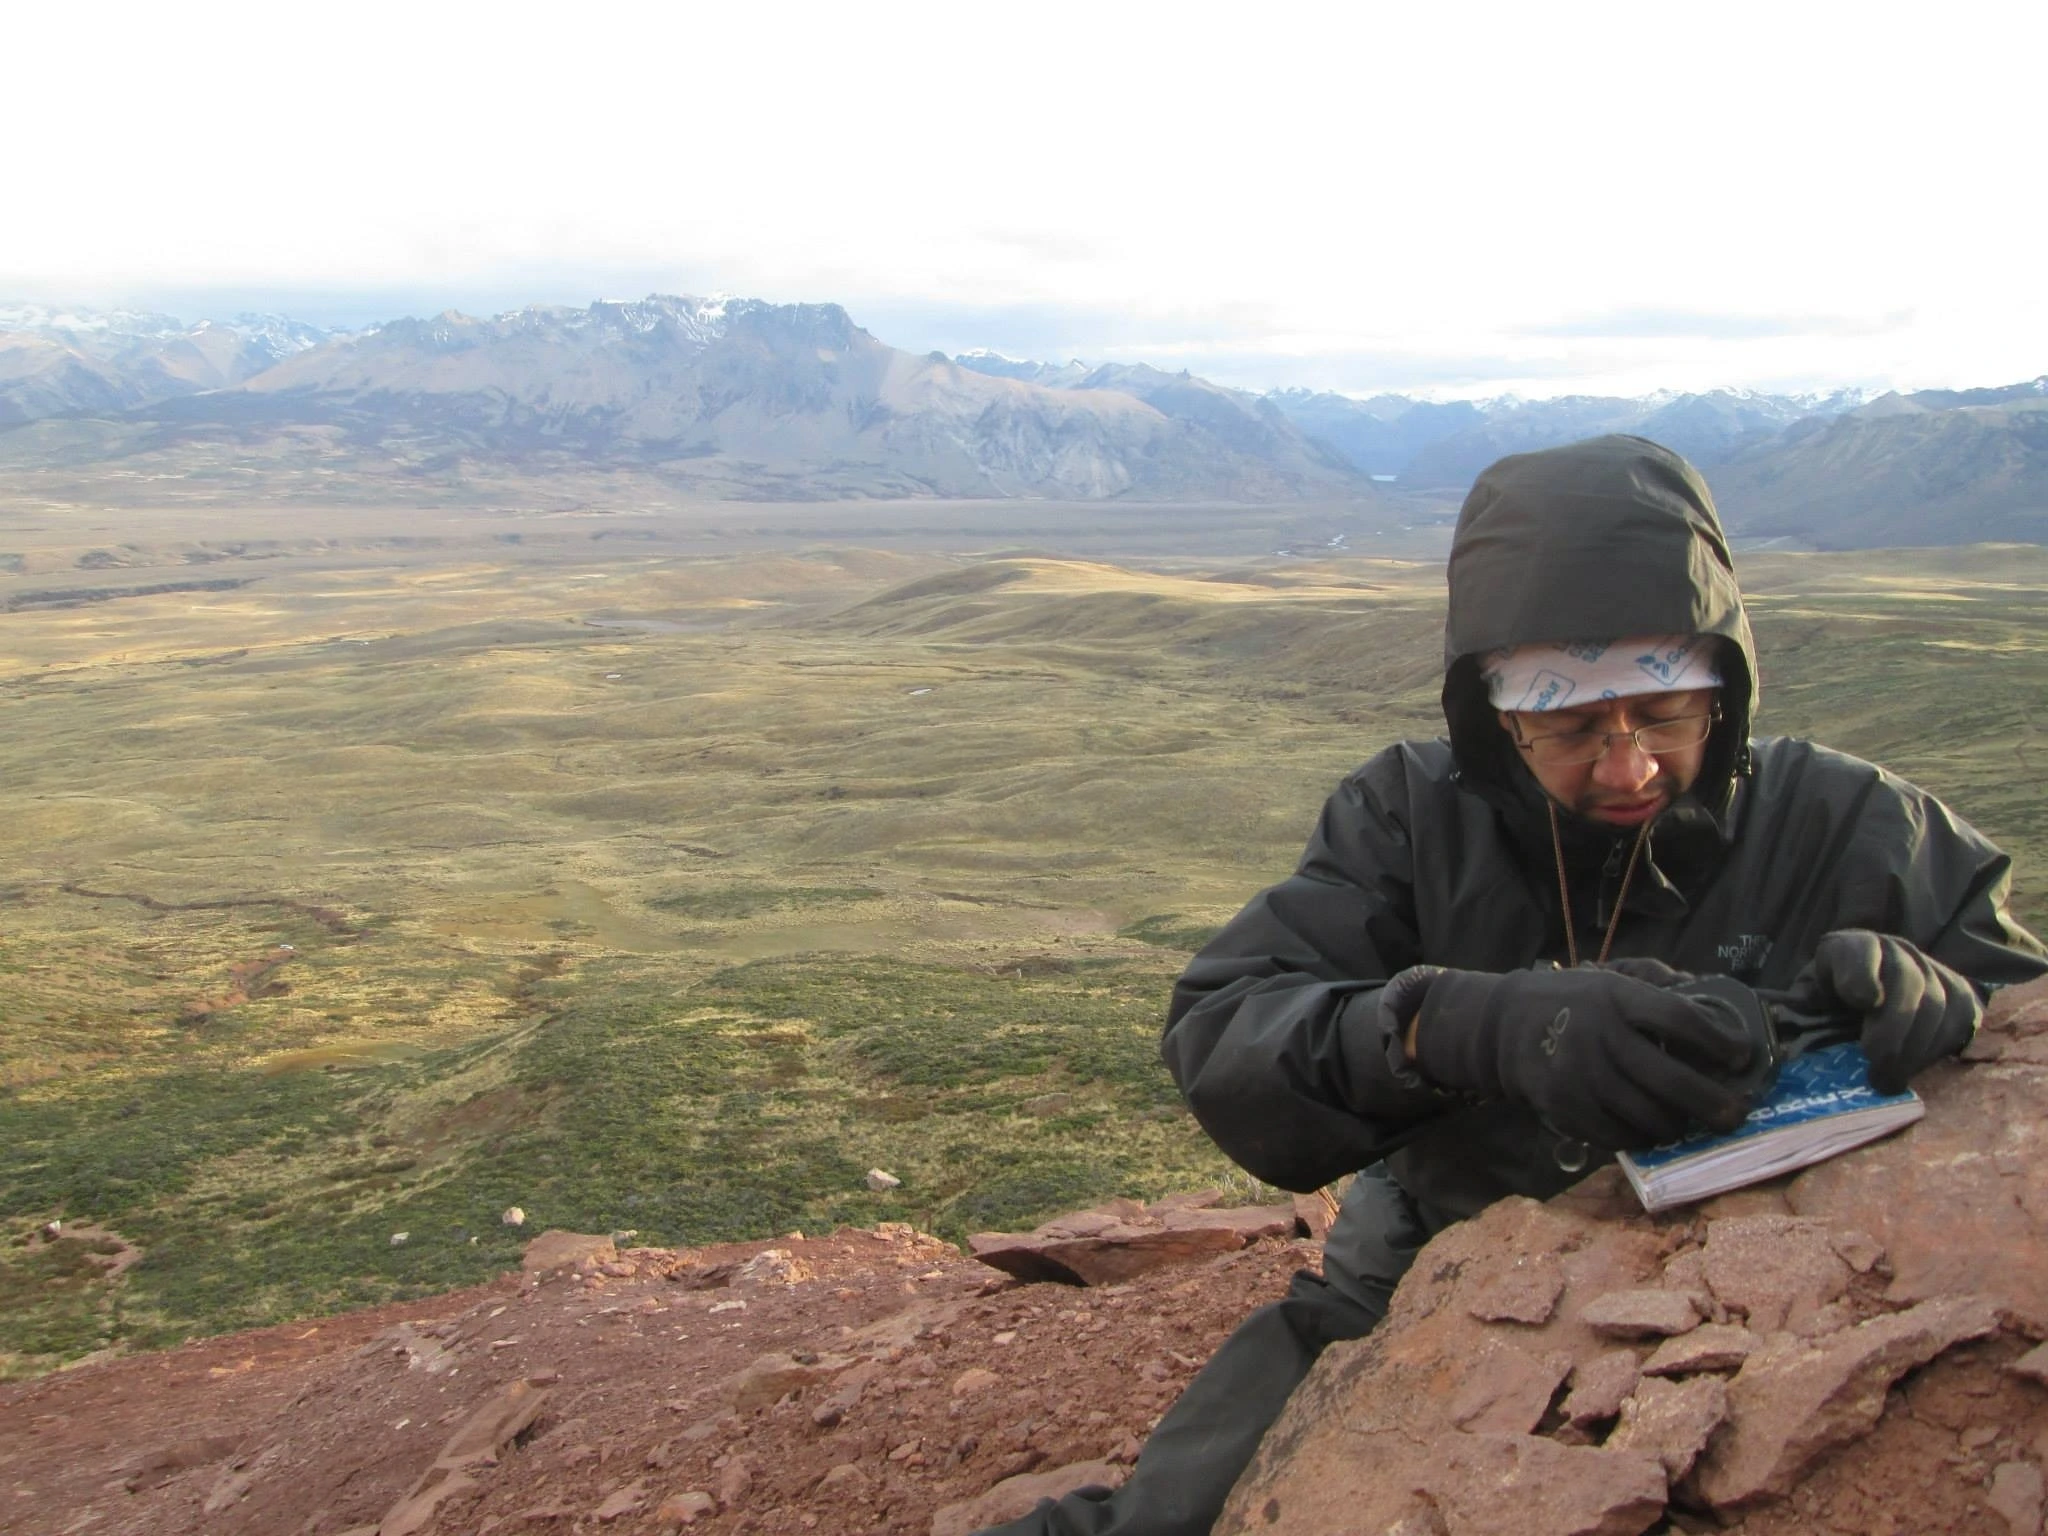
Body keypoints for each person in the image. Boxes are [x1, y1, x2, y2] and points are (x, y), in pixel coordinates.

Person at [978, 434, 2047, 1536]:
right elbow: (1224, 1029)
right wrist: (1454, 1025)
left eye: (1663, 713)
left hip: (1766, 1282)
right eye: (1570, 726)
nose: (1625, 767)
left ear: (1721, 691)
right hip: (1425, 1259)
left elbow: (2018, 1010)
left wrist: (1937, 997)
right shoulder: (1406, 814)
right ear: (1494, 718)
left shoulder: (1854, 820)